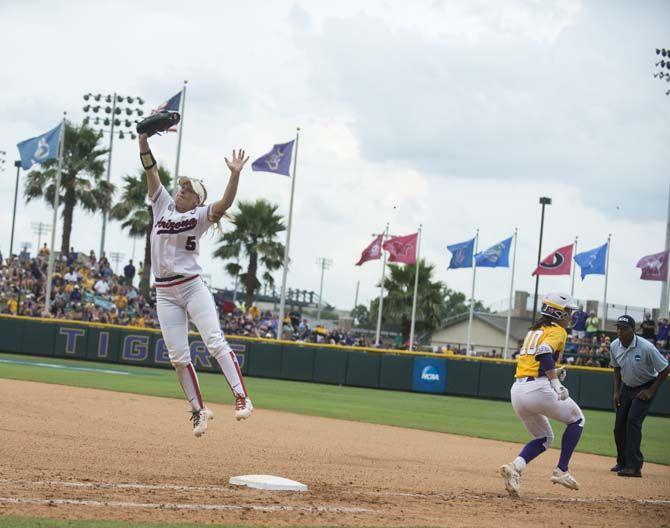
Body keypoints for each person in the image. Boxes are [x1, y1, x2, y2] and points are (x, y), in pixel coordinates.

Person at [138, 131, 252, 438]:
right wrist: (143, 140)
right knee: (178, 357)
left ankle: (241, 396)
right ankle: (199, 411)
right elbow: (150, 169)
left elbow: (226, 202)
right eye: (181, 187)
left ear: (197, 199)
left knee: (214, 341)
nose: (181, 191)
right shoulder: (162, 204)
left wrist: (235, 176)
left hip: (191, 287)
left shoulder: (201, 216)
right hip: (164, 293)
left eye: (187, 190)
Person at [500, 292, 585, 497]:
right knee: (578, 420)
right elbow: (544, 353)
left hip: (518, 391)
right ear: (557, 312)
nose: (570, 316)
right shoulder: (557, 331)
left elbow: (537, 360)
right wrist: (555, 384)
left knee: (545, 438)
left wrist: (553, 374)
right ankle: (561, 470)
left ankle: (515, 468)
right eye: (568, 312)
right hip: (538, 389)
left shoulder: (535, 330)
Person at [609, 315, 669, 477]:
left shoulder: (646, 347)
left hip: (645, 386)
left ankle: (634, 466)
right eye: (618, 328)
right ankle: (622, 462)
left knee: (633, 422)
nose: (620, 332)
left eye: (624, 328)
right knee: (619, 427)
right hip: (627, 387)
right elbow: (616, 368)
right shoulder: (614, 345)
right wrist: (616, 392)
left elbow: (664, 370)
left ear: (633, 330)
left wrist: (651, 391)